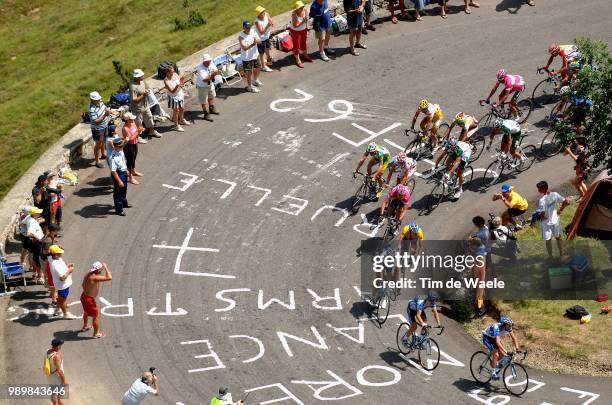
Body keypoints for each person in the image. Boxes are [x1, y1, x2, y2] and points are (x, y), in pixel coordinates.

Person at [536, 181, 569, 261]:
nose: (538, 190)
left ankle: (550, 257)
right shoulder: (555, 194)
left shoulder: (542, 200)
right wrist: (560, 210)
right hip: (555, 221)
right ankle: (562, 257)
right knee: (559, 238)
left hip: (546, 223)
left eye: (539, 189)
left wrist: (540, 216)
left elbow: (542, 213)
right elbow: (567, 201)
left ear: (543, 189)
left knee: (548, 240)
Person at [482, 316, 521, 381]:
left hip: (494, 338)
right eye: (509, 326)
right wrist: (506, 351)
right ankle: (493, 373)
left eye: (510, 326)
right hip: (487, 338)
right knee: (496, 354)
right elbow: (498, 342)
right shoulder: (496, 328)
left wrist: (517, 348)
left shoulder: (508, 328)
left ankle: (493, 363)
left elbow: (514, 338)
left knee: (502, 354)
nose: (510, 327)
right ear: (505, 325)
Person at [80, 261, 112, 339]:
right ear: (98, 270)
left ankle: (85, 326)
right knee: (95, 316)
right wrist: (106, 267)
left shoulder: (88, 274)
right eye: (101, 269)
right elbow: (109, 277)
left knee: (86, 312)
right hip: (89, 299)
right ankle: (96, 333)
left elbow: (83, 284)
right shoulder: (95, 277)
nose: (101, 270)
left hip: (84, 296)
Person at [130, 69, 162, 139]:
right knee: (138, 123)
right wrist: (144, 95)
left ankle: (152, 131)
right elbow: (134, 100)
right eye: (142, 75)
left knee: (149, 118)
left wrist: (147, 91)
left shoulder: (142, 82)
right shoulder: (133, 87)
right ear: (137, 77)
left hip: (145, 105)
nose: (143, 76)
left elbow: (146, 88)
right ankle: (138, 137)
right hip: (137, 109)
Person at [88, 91, 117, 168]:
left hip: (104, 126)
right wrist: (105, 115)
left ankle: (103, 154)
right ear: (92, 100)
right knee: (98, 144)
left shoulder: (100, 103)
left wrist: (112, 112)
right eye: (97, 99)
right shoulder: (91, 109)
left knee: (103, 141)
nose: (99, 100)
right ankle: (97, 162)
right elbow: (96, 122)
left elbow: (105, 109)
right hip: (97, 129)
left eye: (99, 99)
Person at [49, 245, 77, 319]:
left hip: (63, 285)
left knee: (61, 298)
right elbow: (62, 278)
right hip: (62, 285)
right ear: (55, 255)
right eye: (59, 253)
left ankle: (58, 309)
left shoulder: (58, 259)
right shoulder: (55, 264)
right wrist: (69, 270)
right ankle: (66, 314)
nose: (61, 253)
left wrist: (67, 267)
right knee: (62, 300)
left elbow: (62, 270)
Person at [470, 216, 489, 317]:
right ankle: (479, 306)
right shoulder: (485, 229)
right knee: (480, 284)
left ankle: (480, 309)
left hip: (479, 260)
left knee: (480, 285)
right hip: (482, 259)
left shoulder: (478, 247)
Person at [195, 53, 221, 122]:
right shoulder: (200, 68)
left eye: (209, 61)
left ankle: (211, 108)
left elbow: (216, 70)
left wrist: (217, 72)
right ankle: (206, 113)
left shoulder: (211, 63)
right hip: (202, 86)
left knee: (211, 96)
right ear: (203, 61)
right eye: (207, 61)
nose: (208, 62)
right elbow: (205, 79)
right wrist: (214, 74)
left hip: (210, 84)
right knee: (204, 101)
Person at [23, 206, 45, 284]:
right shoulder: (32, 222)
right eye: (38, 212)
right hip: (38, 242)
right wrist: (38, 238)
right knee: (38, 259)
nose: (40, 213)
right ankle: (40, 277)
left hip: (34, 242)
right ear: (35, 214)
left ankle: (35, 274)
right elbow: (29, 234)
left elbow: (22, 224)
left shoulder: (29, 217)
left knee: (35, 258)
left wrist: (37, 222)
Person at [164, 65, 190, 132]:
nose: (173, 73)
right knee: (176, 111)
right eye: (171, 72)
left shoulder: (175, 74)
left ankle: (181, 120)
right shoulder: (166, 80)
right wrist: (177, 85)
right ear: (167, 73)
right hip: (173, 97)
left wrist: (182, 80)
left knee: (182, 108)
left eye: (173, 71)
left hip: (179, 94)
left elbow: (181, 83)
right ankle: (176, 126)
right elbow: (172, 91)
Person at [239, 21, 262, 93]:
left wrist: (257, 40)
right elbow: (244, 48)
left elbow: (260, 41)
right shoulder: (241, 36)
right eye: (247, 28)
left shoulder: (253, 31)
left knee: (258, 68)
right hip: (247, 58)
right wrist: (253, 44)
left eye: (249, 27)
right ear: (243, 28)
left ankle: (255, 80)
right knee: (249, 73)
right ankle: (250, 86)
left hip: (255, 54)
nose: (248, 29)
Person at [121, 112, 144, 185]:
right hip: (128, 146)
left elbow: (135, 135)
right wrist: (138, 131)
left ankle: (133, 171)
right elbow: (130, 138)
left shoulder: (133, 124)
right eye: (131, 119)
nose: (133, 120)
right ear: (127, 120)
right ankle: (130, 178)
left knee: (134, 158)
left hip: (135, 144)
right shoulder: (125, 128)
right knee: (129, 162)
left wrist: (138, 132)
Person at [109, 137, 129, 216]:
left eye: (122, 146)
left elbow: (123, 160)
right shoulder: (113, 157)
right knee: (118, 193)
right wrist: (119, 181)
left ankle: (124, 203)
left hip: (123, 172)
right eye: (120, 146)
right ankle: (119, 209)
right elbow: (113, 171)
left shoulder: (120, 150)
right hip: (118, 174)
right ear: (115, 146)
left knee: (124, 190)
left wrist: (126, 169)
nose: (122, 147)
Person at [41, 223, 60, 305]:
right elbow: (44, 251)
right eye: (56, 230)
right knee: (49, 276)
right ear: (53, 231)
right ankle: (52, 293)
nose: (57, 232)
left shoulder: (49, 236)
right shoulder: (48, 240)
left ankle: (51, 291)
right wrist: (54, 250)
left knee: (49, 276)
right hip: (45, 259)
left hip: (46, 259)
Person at [45, 338, 67, 405]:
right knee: (60, 397)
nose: (61, 346)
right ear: (58, 346)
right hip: (56, 378)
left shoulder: (47, 351)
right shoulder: (56, 356)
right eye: (61, 345)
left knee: (54, 392)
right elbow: (59, 371)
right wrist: (64, 381)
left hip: (50, 376)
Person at [289, 1, 312, 68]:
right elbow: (295, 25)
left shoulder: (304, 10)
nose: (302, 8)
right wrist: (303, 21)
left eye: (302, 7)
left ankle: (305, 55)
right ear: (297, 9)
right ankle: (298, 59)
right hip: (295, 31)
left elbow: (307, 16)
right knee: (296, 45)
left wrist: (307, 18)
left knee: (303, 43)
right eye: (300, 8)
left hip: (303, 29)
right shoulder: (294, 14)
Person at [255, 6, 274, 72]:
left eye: (263, 11)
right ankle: (263, 67)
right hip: (260, 39)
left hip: (266, 36)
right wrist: (268, 25)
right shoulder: (257, 22)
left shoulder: (266, 14)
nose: (263, 13)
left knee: (267, 48)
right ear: (258, 14)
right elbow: (261, 32)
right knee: (261, 53)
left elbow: (270, 20)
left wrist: (271, 22)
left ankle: (269, 59)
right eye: (261, 13)